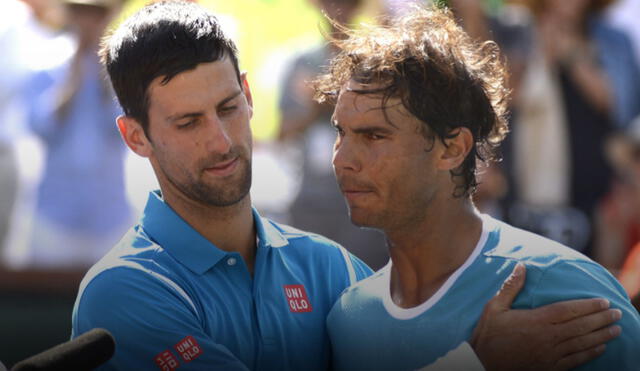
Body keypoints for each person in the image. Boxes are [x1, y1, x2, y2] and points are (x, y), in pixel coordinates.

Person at [72, 2, 622, 370]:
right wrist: (475, 361)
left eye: (227, 107)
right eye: (188, 123)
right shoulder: (123, 291)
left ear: (248, 93)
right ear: (135, 137)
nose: (221, 141)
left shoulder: (332, 271)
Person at [315, 5, 640, 370]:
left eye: (374, 136)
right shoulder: (348, 318)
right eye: (340, 132)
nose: (342, 159)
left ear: (453, 149)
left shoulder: (567, 295)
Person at [278, 0, 388, 270]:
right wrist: (317, 108)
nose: (338, 7)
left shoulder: (376, 60)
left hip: (363, 200)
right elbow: (284, 132)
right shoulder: (301, 60)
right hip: (311, 198)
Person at [24, 0, 132, 268]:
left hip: (109, 215)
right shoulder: (47, 63)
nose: (88, 21)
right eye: (81, 12)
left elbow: (126, 127)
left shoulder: (124, 69)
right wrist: (72, 78)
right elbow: (40, 126)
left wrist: (104, 75)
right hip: (56, 215)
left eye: (97, 13)